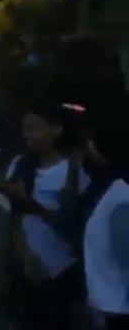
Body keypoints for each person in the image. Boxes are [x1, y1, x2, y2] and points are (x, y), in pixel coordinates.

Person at [0, 105, 90, 329]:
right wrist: (25, 256)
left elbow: (74, 224)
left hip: (64, 269)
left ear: (56, 130)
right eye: (25, 129)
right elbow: (9, 217)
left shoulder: (74, 171)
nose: (27, 135)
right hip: (26, 269)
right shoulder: (20, 166)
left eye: (34, 129)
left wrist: (28, 202)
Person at [83, 109, 128, 329]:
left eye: (92, 141)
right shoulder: (112, 189)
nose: (88, 147)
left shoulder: (121, 196)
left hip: (118, 309)